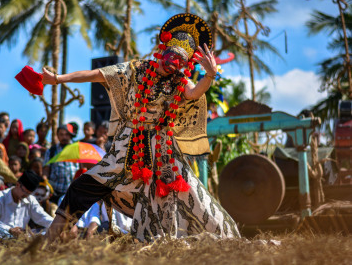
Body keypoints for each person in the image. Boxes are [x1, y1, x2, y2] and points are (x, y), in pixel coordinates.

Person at [41, 14, 239, 241]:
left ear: (183, 65)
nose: (171, 65)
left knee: (178, 198)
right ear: (162, 52)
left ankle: (173, 242)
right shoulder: (136, 69)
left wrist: (211, 74)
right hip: (126, 148)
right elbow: (98, 75)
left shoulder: (180, 81)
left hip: (162, 153)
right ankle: (46, 242)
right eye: (169, 58)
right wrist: (57, 79)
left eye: (178, 62)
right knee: (81, 188)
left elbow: (194, 93)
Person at [0, 170, 54, 238]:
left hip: (21, 240)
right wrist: (8, 229)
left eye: (29, 193)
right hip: (0, 238)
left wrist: (59, 226)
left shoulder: (30, 199)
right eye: (24, 191)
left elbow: (43, 217)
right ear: (18, 184)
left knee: (47, 232)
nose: (26, 195)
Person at [43, 124, 79, 204]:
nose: (64, 137)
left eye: (66, 134)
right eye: (61, 134)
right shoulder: (51, 151)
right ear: (57, 136)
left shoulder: (77, 149)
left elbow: (82, 168)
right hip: (55, 192)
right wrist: (45, 183)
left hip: (73, 192)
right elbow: (46, 169)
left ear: (70, 135)